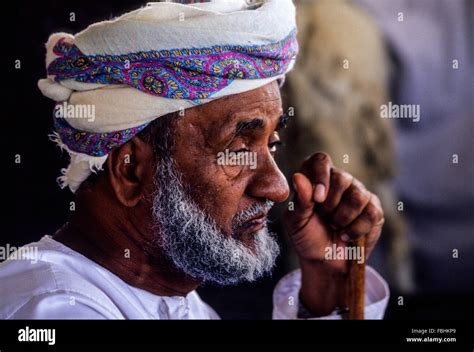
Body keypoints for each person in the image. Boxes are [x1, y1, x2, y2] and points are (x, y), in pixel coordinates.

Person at [0, 0, 388, 319]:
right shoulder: (55, 310)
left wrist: (325, 285)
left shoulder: (170, 299)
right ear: (131, 169)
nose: (278, 186)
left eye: (271, 144)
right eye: (238, 149)